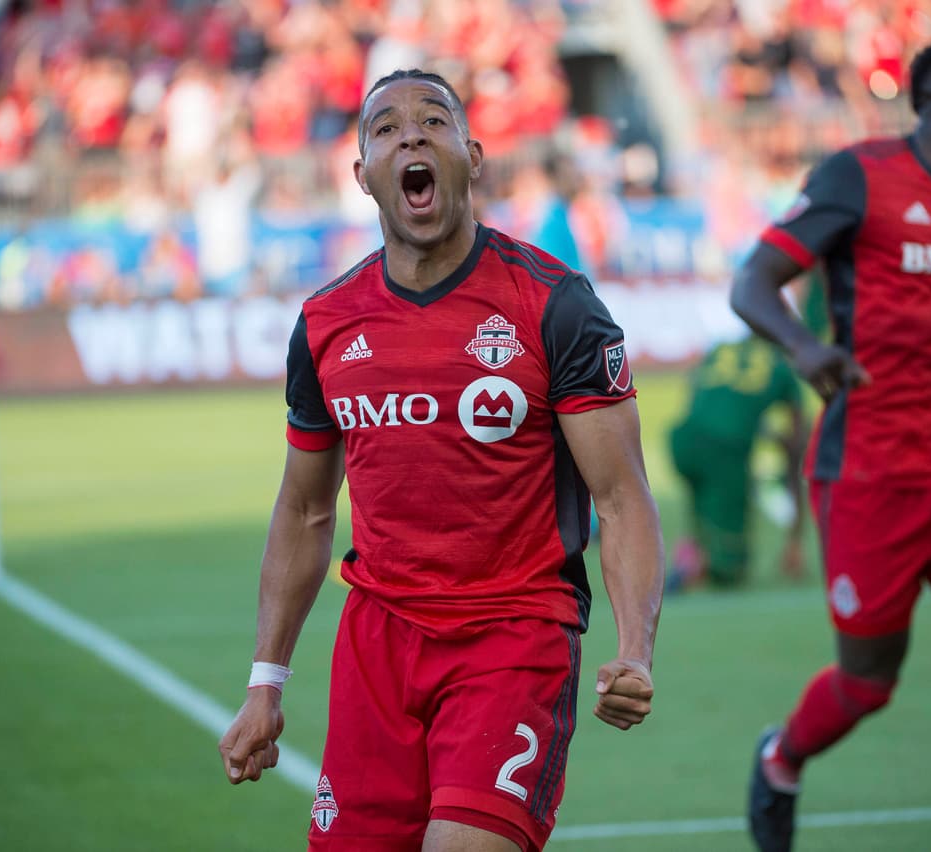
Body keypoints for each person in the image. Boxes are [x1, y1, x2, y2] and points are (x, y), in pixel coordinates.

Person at [217, 69, 665, 852]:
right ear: (363, 175)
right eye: (386, 129)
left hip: (514, 637)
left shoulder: (554, 306)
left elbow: (622, 496)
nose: (412, 136)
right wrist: (266, 683)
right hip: (377, 648)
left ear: (474, 156)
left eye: (434, 121)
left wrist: (635, 650)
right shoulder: (325, 325)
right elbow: (306, 510)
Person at [729, 34, 931, 852]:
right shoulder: (859, 175)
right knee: (869, 680)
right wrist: (808, 352)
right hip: (873, 473)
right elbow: (753, 282)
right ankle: (782, 758)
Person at [666, 331, 806, 589]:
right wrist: (795, 539)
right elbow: (798, 448)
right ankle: (694, 568)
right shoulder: (781, 364)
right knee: (731, 569)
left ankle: (694, 550)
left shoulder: (720, 348)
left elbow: (702, 392)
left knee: (702, 510)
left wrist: (756, 427)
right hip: (725, 449)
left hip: (682, 438)